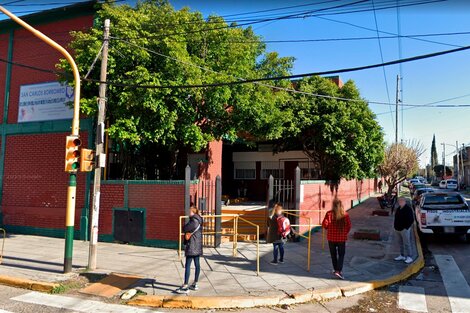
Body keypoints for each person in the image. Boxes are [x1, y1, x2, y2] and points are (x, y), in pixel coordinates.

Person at [322, 198, 352, 280]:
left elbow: (325, 225)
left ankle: (336, 270)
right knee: (341, 254)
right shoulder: (345, 214)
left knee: (333, 254)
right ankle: (338, 271)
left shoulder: (329, 214)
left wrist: (329, 228)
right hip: (341, 238)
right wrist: (344, 233)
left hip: (331, 238)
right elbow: (349, 226)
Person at [176, 206, 203, 294]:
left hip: (191, 245)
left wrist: (188, 222)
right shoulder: (199, 219)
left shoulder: (193, 221)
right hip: (198, 245)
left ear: (192, 212)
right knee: (197, 264)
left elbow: (184, 228)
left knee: (188, 265)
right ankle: (195, 283)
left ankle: (185, 286)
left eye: (189, 212)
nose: (188, 213)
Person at [394, 197, 414, 264]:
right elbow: (396, 218)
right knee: (400, 243)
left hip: (404, 229)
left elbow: (411, 220)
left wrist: (406, 228)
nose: (400, 202)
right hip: (397, 229)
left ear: (405, 201)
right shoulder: (398, 209)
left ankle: (410, 256)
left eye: (402, 200)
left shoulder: (408, 209)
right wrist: (395, 227)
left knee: (407, 243)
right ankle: (402, 255)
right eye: (399, 200)